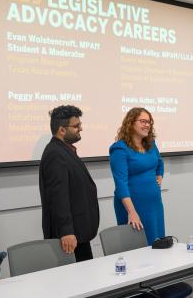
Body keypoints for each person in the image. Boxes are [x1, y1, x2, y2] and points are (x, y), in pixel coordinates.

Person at [39, 105, 99, 262]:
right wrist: (66, 231)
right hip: (69, 237)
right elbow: (58, 197)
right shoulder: (55, 154)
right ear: (62, 130)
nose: (81, 129)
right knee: (78, 282)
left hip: (78, 233)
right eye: (76, 126)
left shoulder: (65, 150)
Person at [109, 107, 165, 245]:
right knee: (137, 247)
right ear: (131, 122)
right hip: (133, 205)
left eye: (149, 122)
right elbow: (120, 183)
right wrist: (132, 212)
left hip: (154, 204)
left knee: (157, 243)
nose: (147, 125)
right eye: (143, 121)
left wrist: (159, 176)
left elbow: (159, 163)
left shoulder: (150, 143)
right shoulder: (119, 148)